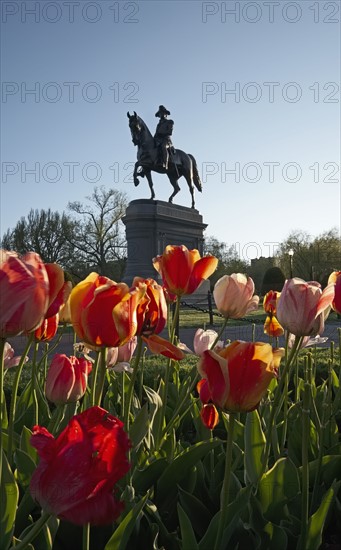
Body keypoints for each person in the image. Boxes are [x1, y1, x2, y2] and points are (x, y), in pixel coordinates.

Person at [154, 105, 174, 169]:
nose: (161, 114)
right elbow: (156, 134)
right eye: (160, 113)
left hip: (166, 140)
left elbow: (169, 132)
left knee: (163, 146)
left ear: (165, 114)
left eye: (162, 113)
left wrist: (161, 134)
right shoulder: (158, 124)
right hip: (158, 140)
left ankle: (165, 164)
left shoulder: (169, 122)